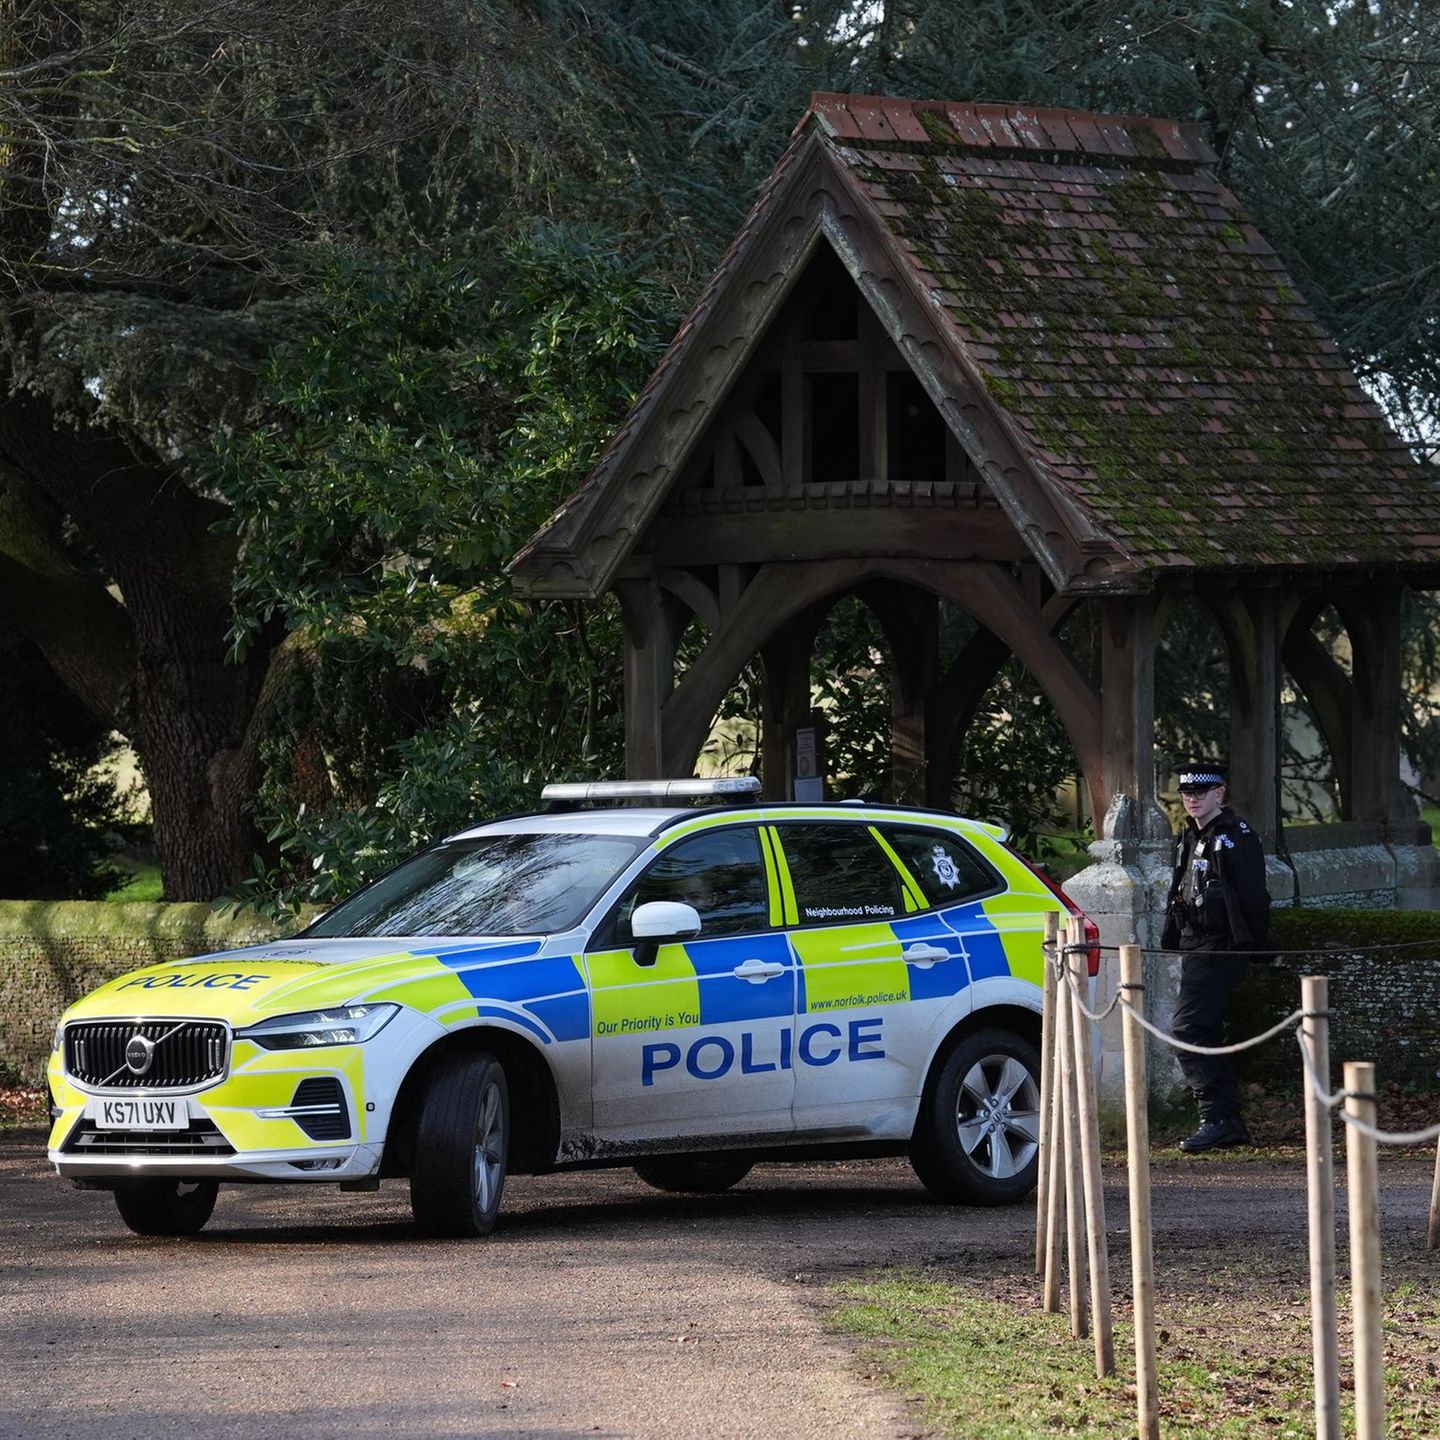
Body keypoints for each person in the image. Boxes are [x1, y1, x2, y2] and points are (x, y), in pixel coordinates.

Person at [1161, 760, 1271, 1153]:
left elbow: (1254, 898)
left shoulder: (1236, 836)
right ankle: (1226, 1122)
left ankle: (1218, 1119)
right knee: (1201, 1031)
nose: (1192, 800)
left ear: (1219, 794)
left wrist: (1258, 947)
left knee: (1188, 1032)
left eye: (1201, 793)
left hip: (1221, 946)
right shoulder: (1190, 835)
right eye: (1187, 794)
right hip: (1196, 944)